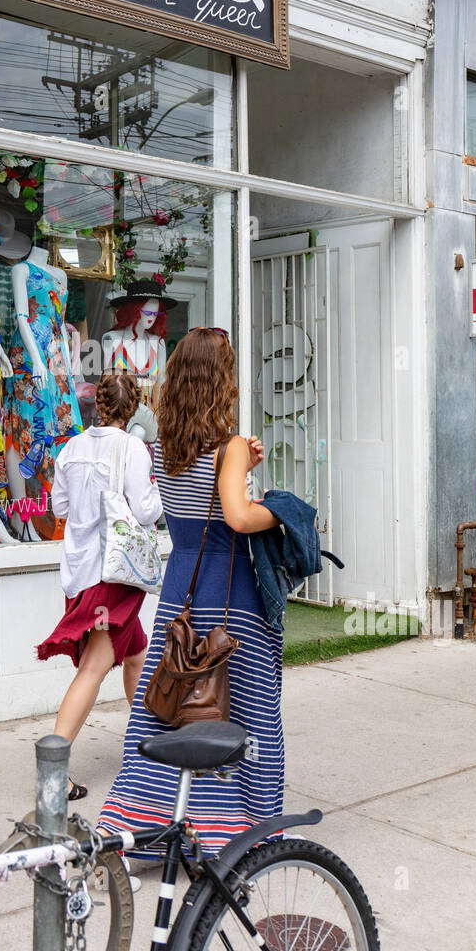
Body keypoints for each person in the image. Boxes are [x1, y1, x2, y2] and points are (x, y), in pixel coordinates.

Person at [97, 327, 282, 858]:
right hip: (230, 592)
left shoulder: (167, 448)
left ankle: (146, 824)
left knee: (171, 702)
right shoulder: (227, 448)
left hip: (181, 587)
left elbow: (194, 504)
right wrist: (284, 509)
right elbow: (237, 516)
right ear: (220, 383)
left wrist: (244, 465)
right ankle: (241, 830)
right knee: (246, 708)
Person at [38, 371, 162, 801]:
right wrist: (163, 485)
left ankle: (151, 746)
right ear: (133, 409)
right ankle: (52, 775)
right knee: (94, 667)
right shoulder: (133, 448)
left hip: (81, 571)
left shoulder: (71, 447)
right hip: (114, 574)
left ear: (100, 405)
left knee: (136, 655)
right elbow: (145, 511)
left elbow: (59, 506)